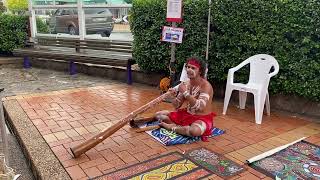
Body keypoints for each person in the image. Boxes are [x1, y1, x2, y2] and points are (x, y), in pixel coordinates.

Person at [155, 57, 216, 141]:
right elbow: (176, 105)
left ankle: (172, 127)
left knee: (194, 131)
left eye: (193, 68)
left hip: (202, 118)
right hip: (187, 115)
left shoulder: (206, 86)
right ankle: (181, 128)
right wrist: (173, 96)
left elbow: (200, 107)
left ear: (200, 71)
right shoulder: (186, 84)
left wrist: (185, 93)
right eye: (188, 67)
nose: (189, 70)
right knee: (158, 115)